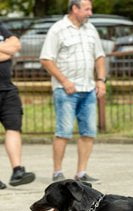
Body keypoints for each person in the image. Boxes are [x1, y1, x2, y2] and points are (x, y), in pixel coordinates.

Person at [40, 0, 106, 182]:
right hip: (65, 90)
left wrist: (100, 80)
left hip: (88, 89)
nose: (90, 13)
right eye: (87, 9)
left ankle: (81, 173)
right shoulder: (58, 29)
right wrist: (64, 81)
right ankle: (57, 172)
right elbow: (46, 59)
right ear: (74, 9)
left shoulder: (91, 29)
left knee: (89, 132)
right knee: (64, 131)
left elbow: (100, 56)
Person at [0, 22, 35, 189]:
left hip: (7, 88)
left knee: (13, 127)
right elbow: (10, 49)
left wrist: (8, 49)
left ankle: (17, 171)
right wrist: (6, 49)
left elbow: (16, 45)